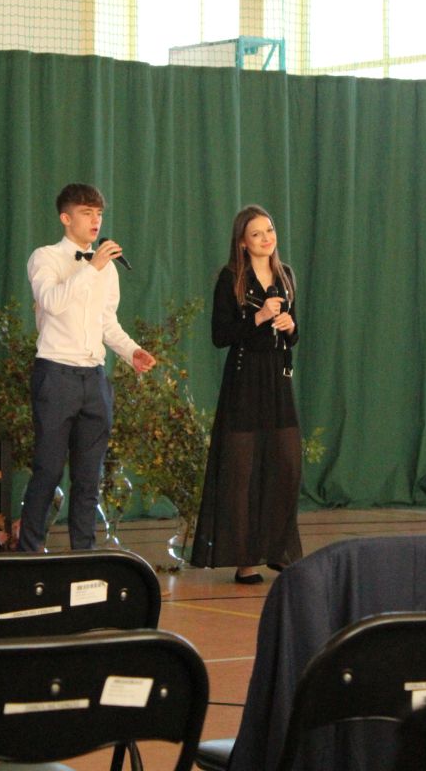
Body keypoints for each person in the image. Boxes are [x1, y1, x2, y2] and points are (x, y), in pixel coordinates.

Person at [17, 182, 156, 552]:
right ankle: (27, 555)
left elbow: (107, 322)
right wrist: (92, 267)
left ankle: (84, 557)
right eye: (86, 213)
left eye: (99, 214)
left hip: (94, 379)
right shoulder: (45, 257)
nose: (95, 221)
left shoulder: (106, 270)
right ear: (66, 219)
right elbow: (52, 302)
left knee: (88, 478)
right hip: (56, 375)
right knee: (47, 471)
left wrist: (131, 351)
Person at [191, 204, 303, 583]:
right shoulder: (231, 279)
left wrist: (289, 327)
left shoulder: (286, 275)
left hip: (278, 380)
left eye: (269, 230)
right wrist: (258, 317)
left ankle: (279, 550)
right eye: (256, 234)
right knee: (241, 471)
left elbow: (294, 333)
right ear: (242, 242)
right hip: (244, 380)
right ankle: (245, 560)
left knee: (286, 465)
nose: (266, 238)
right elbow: (220, 335)